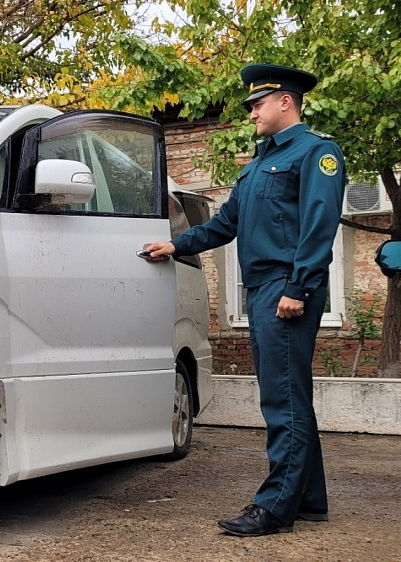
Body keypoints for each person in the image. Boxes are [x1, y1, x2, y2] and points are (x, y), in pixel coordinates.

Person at [143, 63, 347, 537]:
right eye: (250, 105)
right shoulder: (256, 166)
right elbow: (224, 224)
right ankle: (308, 499)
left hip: (285, 287)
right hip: (261, 290)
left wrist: (298, 289)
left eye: (258, 103)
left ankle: (275, 506)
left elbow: (319, 227)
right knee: (289, 396)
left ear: (286, 102)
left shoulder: (317, 154)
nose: (251, 111)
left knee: (283, 400)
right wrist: (176, 245)